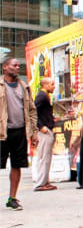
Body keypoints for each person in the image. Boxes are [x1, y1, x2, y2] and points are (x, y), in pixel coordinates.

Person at [1, 58, 38, 210]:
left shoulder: (24, 87)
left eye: (18, 65)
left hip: (20, 131)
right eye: (14, 65)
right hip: (2, 132)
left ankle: (12, 198)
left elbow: (31, 110)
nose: (17, 67)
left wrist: (34, 132)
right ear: (5, 67)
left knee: (17, 165)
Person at [32, 77, 57, 191]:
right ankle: (40, 183)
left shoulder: (45, 95)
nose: (54, 86)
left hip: (47, 128)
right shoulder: (41, 96)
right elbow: (32, 111)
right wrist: (41, 126)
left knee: (46, 157)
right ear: (45, 85)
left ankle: (45, 181)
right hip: (44, 131)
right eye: (52, 84)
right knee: (44, 157)